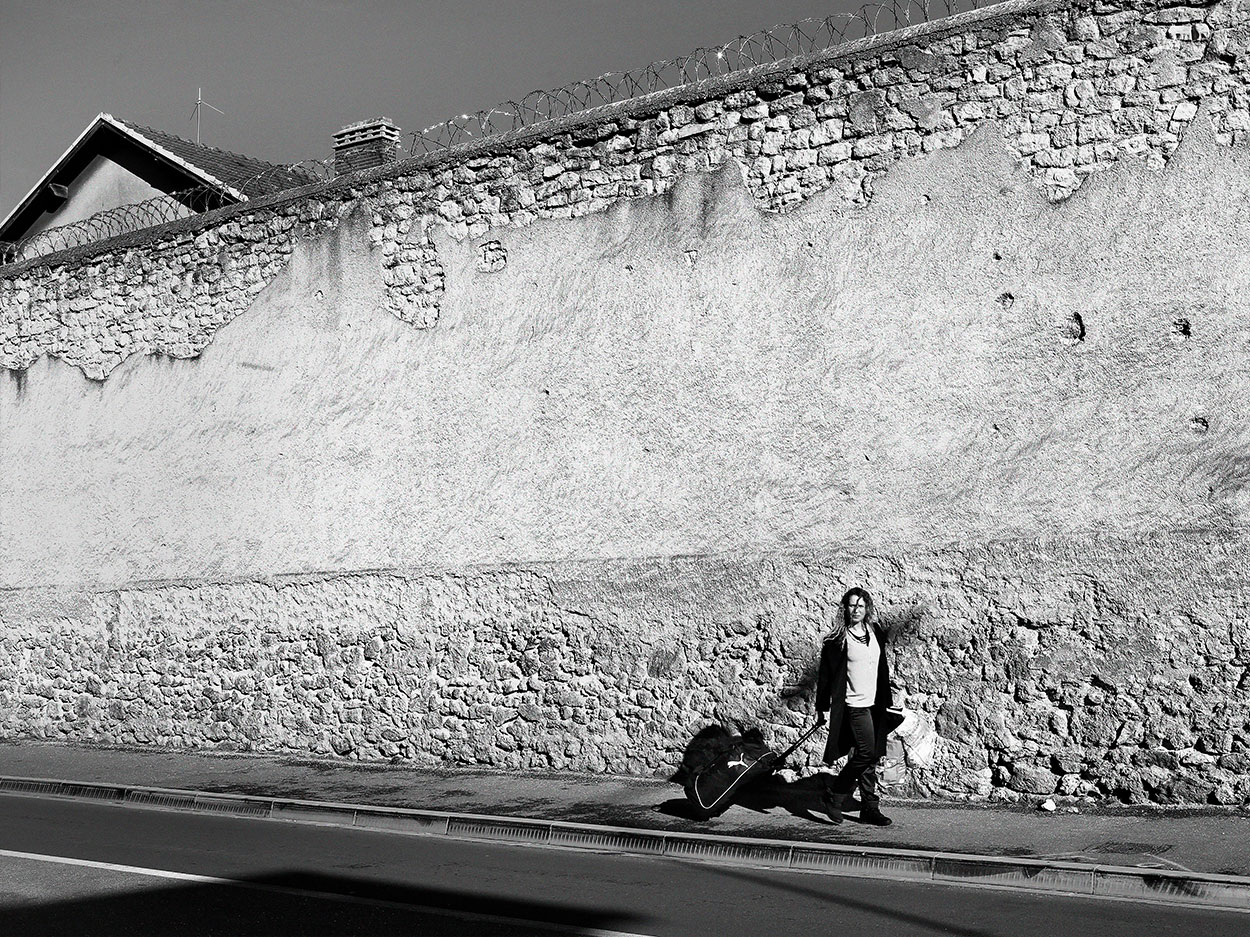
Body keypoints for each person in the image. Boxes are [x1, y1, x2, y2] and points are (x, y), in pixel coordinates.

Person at [814, 587, 896, 826]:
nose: (856, 610)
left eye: (860, 606)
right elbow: (825, 676)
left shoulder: (875, 632)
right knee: (866, 753)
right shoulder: (837, 640)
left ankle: (869, 807)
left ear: (867, 608)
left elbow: (882, 668)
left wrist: (887, 699)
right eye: (851, 605)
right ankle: (836, 795)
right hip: (853, 705)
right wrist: (821, 707)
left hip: (875, 704)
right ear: (845, 608)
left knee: (870, 756)